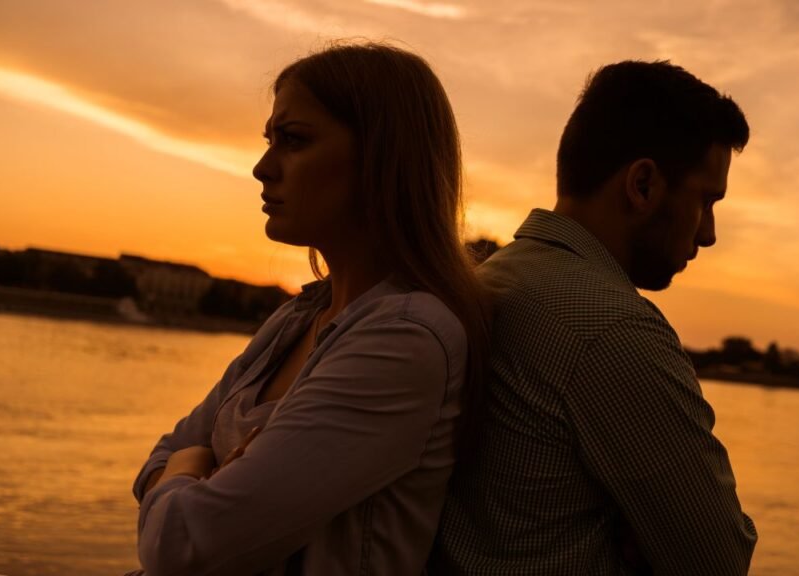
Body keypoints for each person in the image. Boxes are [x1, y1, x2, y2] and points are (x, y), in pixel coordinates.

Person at [127, 42, 487, 576]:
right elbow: (158, 459)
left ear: (382, 159)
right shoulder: (299, 317)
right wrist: (193, 470)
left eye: (293, 140)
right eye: (269, 140)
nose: (262, 168)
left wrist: (190, 469)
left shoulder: (404, 341)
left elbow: (182, 545)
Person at [430, 60, 758, 574]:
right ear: (643, 185)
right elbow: (718, 561)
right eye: (706, 201)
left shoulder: (488, 279)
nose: (709, 233)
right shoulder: (612, 331)